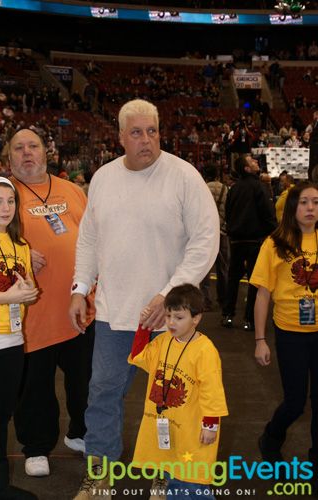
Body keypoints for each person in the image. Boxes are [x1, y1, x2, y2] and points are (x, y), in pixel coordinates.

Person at [69, 99, 220, 499]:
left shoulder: (184, 176)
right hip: (114, 314)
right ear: (119, 136)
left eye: (152, 131)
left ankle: (166, 473)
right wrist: (80, 288)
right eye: (136, 132)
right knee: (102, 394)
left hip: (172, 319)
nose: (146, 140)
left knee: (170, 403)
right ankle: (100, 477)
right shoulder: (102, 178)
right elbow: (89, 239)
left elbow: (206, 241)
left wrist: (169, 295)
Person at [7, 129, 95, 477]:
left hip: (78, 305)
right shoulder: (3, 194)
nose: (27, 153)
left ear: (46, 152)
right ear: (9, 156)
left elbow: (92, 235)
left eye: (33, 146)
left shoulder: (72, 190)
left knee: (85, 380)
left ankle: (82, 432)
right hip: (32, 312)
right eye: (19, 148)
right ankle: (36, 446)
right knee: (35, 386)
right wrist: (22, 253)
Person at [128, 284, 228, 500]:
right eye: (168, 316)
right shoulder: (163, 341)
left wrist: (211, 425)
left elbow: (212, 391)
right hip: (168, 430)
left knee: (193, 484)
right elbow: (139, 356)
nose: (171, 323)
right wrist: (143, 327)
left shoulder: (205, 351)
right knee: (174, 481)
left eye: (179, 317)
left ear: (196, 318)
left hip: (192, 431)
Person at [250, 182, 318, 494]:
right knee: (294, 403)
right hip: (290, 333)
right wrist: (260, 339)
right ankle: (270, 438)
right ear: (292, 207)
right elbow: (262, 295)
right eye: (303, 202)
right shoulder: (276, 243)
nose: (310, 208)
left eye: (315, 202)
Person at [0, 174, 39, 499]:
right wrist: (9, 297)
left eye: (11, 201)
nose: (6, 208)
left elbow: (26, 286)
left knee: (0, 416)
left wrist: (28, 292)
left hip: (13, 342)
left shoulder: (20, 244)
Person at [222, 154, 277, 331]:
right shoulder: (259, 187)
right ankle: (249, 319)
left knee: (233, 278)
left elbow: (228, 213)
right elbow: (268, 214)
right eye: (252, 161)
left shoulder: (234, 189)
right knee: (255, 280)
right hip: (255, 241)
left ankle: (227, 315)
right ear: (246, 168)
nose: (255, 162)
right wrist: (275, 233)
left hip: (236, 240)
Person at [200, 163, 229, 310]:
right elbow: (228, 210)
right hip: (222, 232)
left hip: (206, 234)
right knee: (222, 268)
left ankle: (206, 301)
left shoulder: (202, 188)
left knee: (205, 268)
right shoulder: (225, 189)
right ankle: (223, 299)